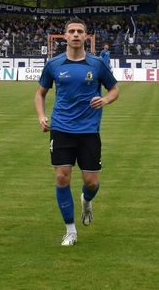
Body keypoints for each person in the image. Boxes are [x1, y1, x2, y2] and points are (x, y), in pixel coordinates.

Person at [34, 17, 120, 246]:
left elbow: (114, 90)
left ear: (86, 36)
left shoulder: (97, 64)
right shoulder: (54, 64)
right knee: (62, 177)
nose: (75, 35)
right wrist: (42, 116)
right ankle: (70, 230)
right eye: (71, 31)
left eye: (79, 31)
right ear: (64, 36)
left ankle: (86, 201)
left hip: (89, 130)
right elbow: (40, 93)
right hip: (61, 128)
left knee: (91, 182)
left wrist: (105, 100)